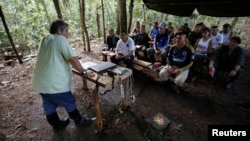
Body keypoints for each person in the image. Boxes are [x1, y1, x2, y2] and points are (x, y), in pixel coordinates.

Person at [32, 19, 95, 131]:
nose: (67, 34)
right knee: (68, 101)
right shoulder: (60, 39)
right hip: (54, 84)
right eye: (66, 31)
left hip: (40, 82)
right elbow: (73, 60)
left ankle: (56, 125)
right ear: (59, 31)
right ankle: (78, 120)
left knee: (49, 103)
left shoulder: (44, 39)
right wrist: (84, 72)